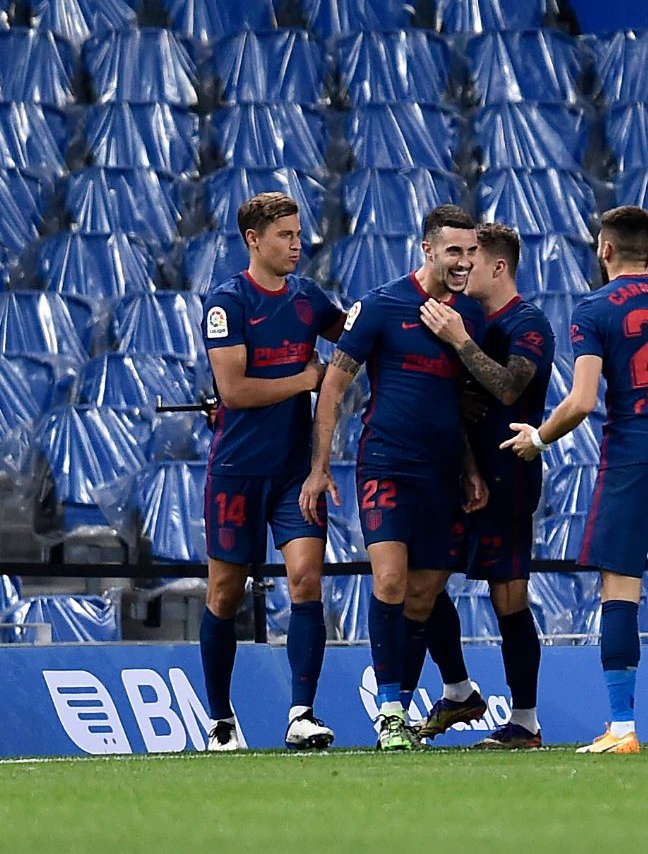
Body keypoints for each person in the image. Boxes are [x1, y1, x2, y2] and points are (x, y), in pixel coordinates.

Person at [503, 207, 648, 754]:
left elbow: (582, 401)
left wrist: (538, 438)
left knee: (620, 589)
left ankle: (623, 727)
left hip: (632, 460)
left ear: (605, 249)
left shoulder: (595, 308)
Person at [299, 204, 489, 751]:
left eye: (471, 252)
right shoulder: (381, 306)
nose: (464, 261)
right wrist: (319, 466)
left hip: (442, 473)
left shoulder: (469, 318)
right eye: (453, 251)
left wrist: (471, 468)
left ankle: (401, 710)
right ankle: (387, 713)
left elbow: (462, 403)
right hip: (386, 464)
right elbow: (334, 386)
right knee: (389, 581)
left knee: (424, 596)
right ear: (427, 249)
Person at [200, 192, 343, 752]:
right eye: (285, 235)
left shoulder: (309, 298)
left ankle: (301, 714)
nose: (296, 244)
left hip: (293, 474)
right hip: (236, 471)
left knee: (306, 581)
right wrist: (306, 381)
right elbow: (234, 390)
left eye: (298, 234)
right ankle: (220, 721)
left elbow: (354, 337)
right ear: (253, 240)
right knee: (224, 592)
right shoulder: (227, 301)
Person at [408, 223, 555, 749]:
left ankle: (526, 721)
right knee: (419, 581)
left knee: (508, 597)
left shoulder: (527, 322)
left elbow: (510, 386)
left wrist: (461, 343)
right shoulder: (469, 317)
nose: (464, 266)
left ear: (498, 266)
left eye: (474, 258)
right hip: (455, 472)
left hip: (508, 475)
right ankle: (458, 689)